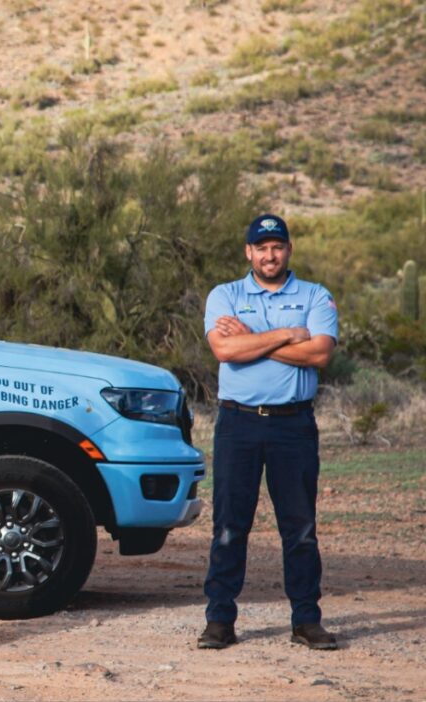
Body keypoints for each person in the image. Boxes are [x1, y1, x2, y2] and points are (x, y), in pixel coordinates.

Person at [198, 214, 339, 651]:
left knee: (299, 528)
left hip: (293, 425)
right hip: (238, 424)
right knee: (229, 525)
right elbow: (224, 348)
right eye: (261, 247)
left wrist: (254, 339)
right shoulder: (225, 295)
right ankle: (220, 620)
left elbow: (319, 354)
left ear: (289, 250)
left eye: (277, 246)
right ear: (248, 252)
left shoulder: (315, 295)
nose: (270, 254)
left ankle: (306, 620)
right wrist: (284, 335)